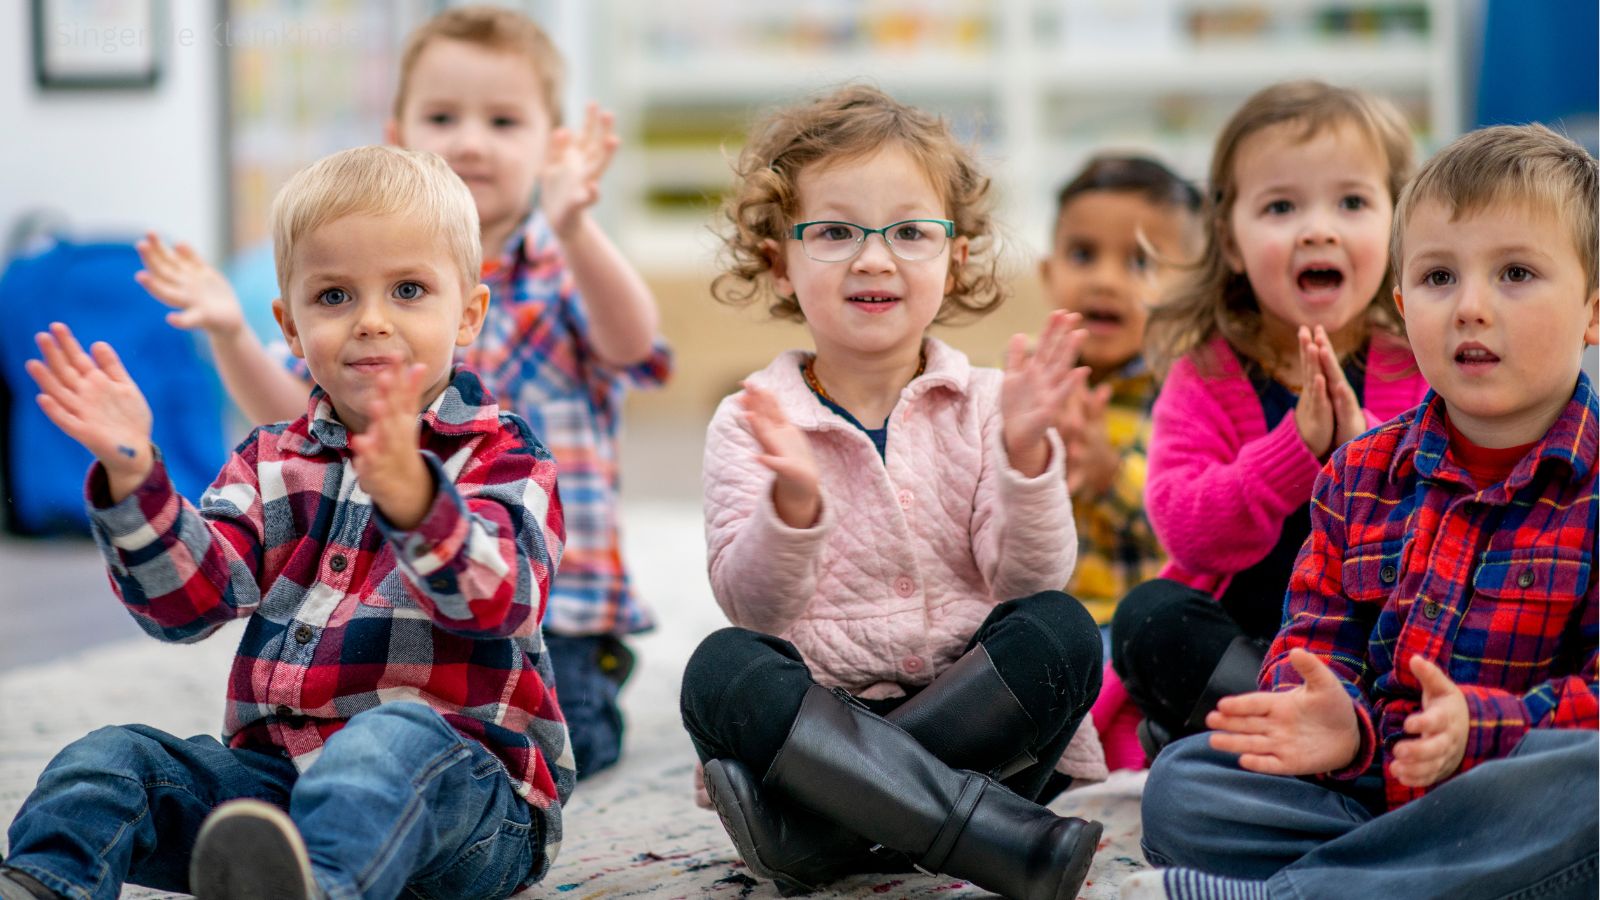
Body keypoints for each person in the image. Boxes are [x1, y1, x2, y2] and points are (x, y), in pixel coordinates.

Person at [0, 146, 573, 900]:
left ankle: (317, 889)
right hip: (285, 787)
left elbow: (503, 599)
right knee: (110, 759)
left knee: (385, 744)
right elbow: (187, 606)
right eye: (334, 297)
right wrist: (136, 478)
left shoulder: (503, 454)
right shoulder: (271, 459)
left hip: (466, 800)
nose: (371, 321)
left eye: (408, 289)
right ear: (291, 327)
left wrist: (416, 503)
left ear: (467, 313)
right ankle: (47, 882)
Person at [132, 5, 668, 779]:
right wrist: (227, 330)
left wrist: (577, 224)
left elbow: (631, 344)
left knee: (554, 739)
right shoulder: (354, 293)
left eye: (504, 120)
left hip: (545, 607)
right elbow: (299, 433)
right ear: (398, 130)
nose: (471, 140)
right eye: (443, 115)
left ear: (552, 145)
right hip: (382, 607)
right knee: (363, 743)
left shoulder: (560, 263)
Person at [1125, 123, 1599, 900]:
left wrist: (1477, 730)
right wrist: (1337, 723)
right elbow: (1313, 639)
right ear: (1403, 303)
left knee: (1592, 789)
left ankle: (1306, 894)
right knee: (1183, 787)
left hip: (1515, 784)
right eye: (1440, 279)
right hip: (1369, 783)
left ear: (1592, 312)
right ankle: (1423, 879)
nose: (1472, 307)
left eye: (1515, 273)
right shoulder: (1358, 474)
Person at [679, 84, 1108, 900]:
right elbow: (755, 612)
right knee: (722, 667)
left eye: (910, 232)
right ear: (780, 261)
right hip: (825, 728)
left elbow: (1029, 583)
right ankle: (983, 836)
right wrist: (792, 513)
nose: (874, 258)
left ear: (957, 257)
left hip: (985, 730)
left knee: (1062, 627)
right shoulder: (750, 420)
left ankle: (818, 836)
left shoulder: (988, 404)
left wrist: (1023, 454)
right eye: (835, 232)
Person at [1107, 81, 1431, 764]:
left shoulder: (1422, 361)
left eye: (1352, 201)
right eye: (1282, 206)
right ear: (1230, 242)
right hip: (1247, 644)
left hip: (1380, 645)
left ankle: (1322, 735)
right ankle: (1293, 731)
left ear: (1398, 225)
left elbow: (1448, 526)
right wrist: (1295, 451)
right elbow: (1186, 529)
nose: (1319, 228)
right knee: (1147, 620)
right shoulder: (1210, 374)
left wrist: (1362, 450)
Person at [1039, 154, 1202, 641]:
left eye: (1140, 262)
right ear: (1048, 273)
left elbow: (1198, 528)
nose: (1105, 281)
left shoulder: (1188, 393)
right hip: (1052, 623)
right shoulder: (1031, 385)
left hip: (1141, 626)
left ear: (1191, 290)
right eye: (1083, 255)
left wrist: (1113, 475)